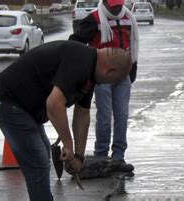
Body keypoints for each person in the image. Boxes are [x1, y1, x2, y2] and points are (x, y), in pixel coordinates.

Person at [0, 40, 132, 201]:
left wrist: (78, 157)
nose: (110, 84)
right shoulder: (81, 62)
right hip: (7, 101)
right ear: (109, 70)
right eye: (113, 80)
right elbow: (54, 104)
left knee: (42, 156)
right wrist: (68, 145)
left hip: (25, 108)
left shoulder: (91, 71)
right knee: (38, 161)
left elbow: (82, 115)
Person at [68, 0, 138, 172]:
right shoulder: (93, 20)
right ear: (105, 3)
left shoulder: (129, 18)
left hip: (123, 76)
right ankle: (101, 155)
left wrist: (132, 70)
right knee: (105, 116)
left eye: (119, 4)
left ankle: (118, 157)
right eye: (113, 4)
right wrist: (85, 67)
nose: (117, 8)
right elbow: (74, 43)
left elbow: (132, 46)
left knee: (122, 115)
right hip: (102, 76)